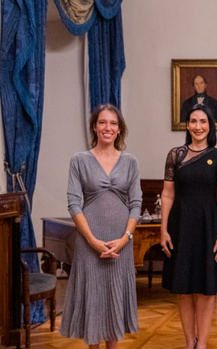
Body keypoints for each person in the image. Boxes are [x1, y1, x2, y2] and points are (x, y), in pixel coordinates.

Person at [61, 104, 142, 348]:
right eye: (103, 122)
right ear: (95, 127)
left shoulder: (130, 162)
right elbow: (74, 203)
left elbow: (136, 204)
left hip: (120, 242)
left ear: (120, 130)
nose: (108, 127)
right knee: (94, 299)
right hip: (89, 243)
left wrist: (125, 237)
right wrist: (92, 241)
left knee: (115, 296)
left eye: (113, 123)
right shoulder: (79, 160)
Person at [160, 104, 217, 349]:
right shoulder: (175, 155)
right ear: (187, 125)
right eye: (193, 121)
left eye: (203, 121)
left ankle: (201, 343)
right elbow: (168, 194)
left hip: (209, 227)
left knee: (206, 288)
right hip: (180, 227)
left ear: (210, 126)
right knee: (183, 288)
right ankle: (188, 341)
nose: (198, 126)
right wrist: (163, 230)